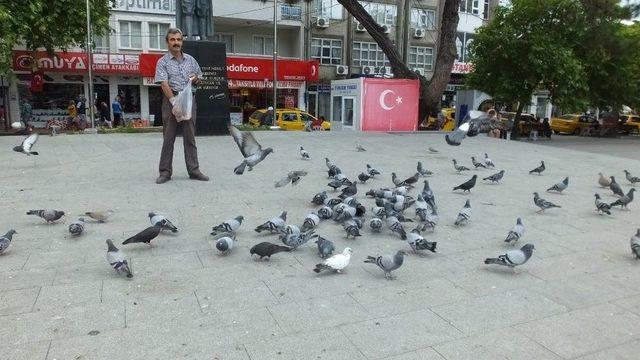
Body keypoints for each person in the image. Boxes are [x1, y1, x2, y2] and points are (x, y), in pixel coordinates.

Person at [154, 27, 208, 184]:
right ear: (167, 42)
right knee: (168, 138)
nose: (176, 43)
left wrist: (196, 78)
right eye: (172, 40)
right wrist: (173, 103)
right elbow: (163, 84)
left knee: (190, 137)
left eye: (178, 39)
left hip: (189, 101)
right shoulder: (162, 62)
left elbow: (200, 78)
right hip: (170, 100)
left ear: (182, 41)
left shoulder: (191, 60)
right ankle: (165, 172)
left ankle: (194, 170)